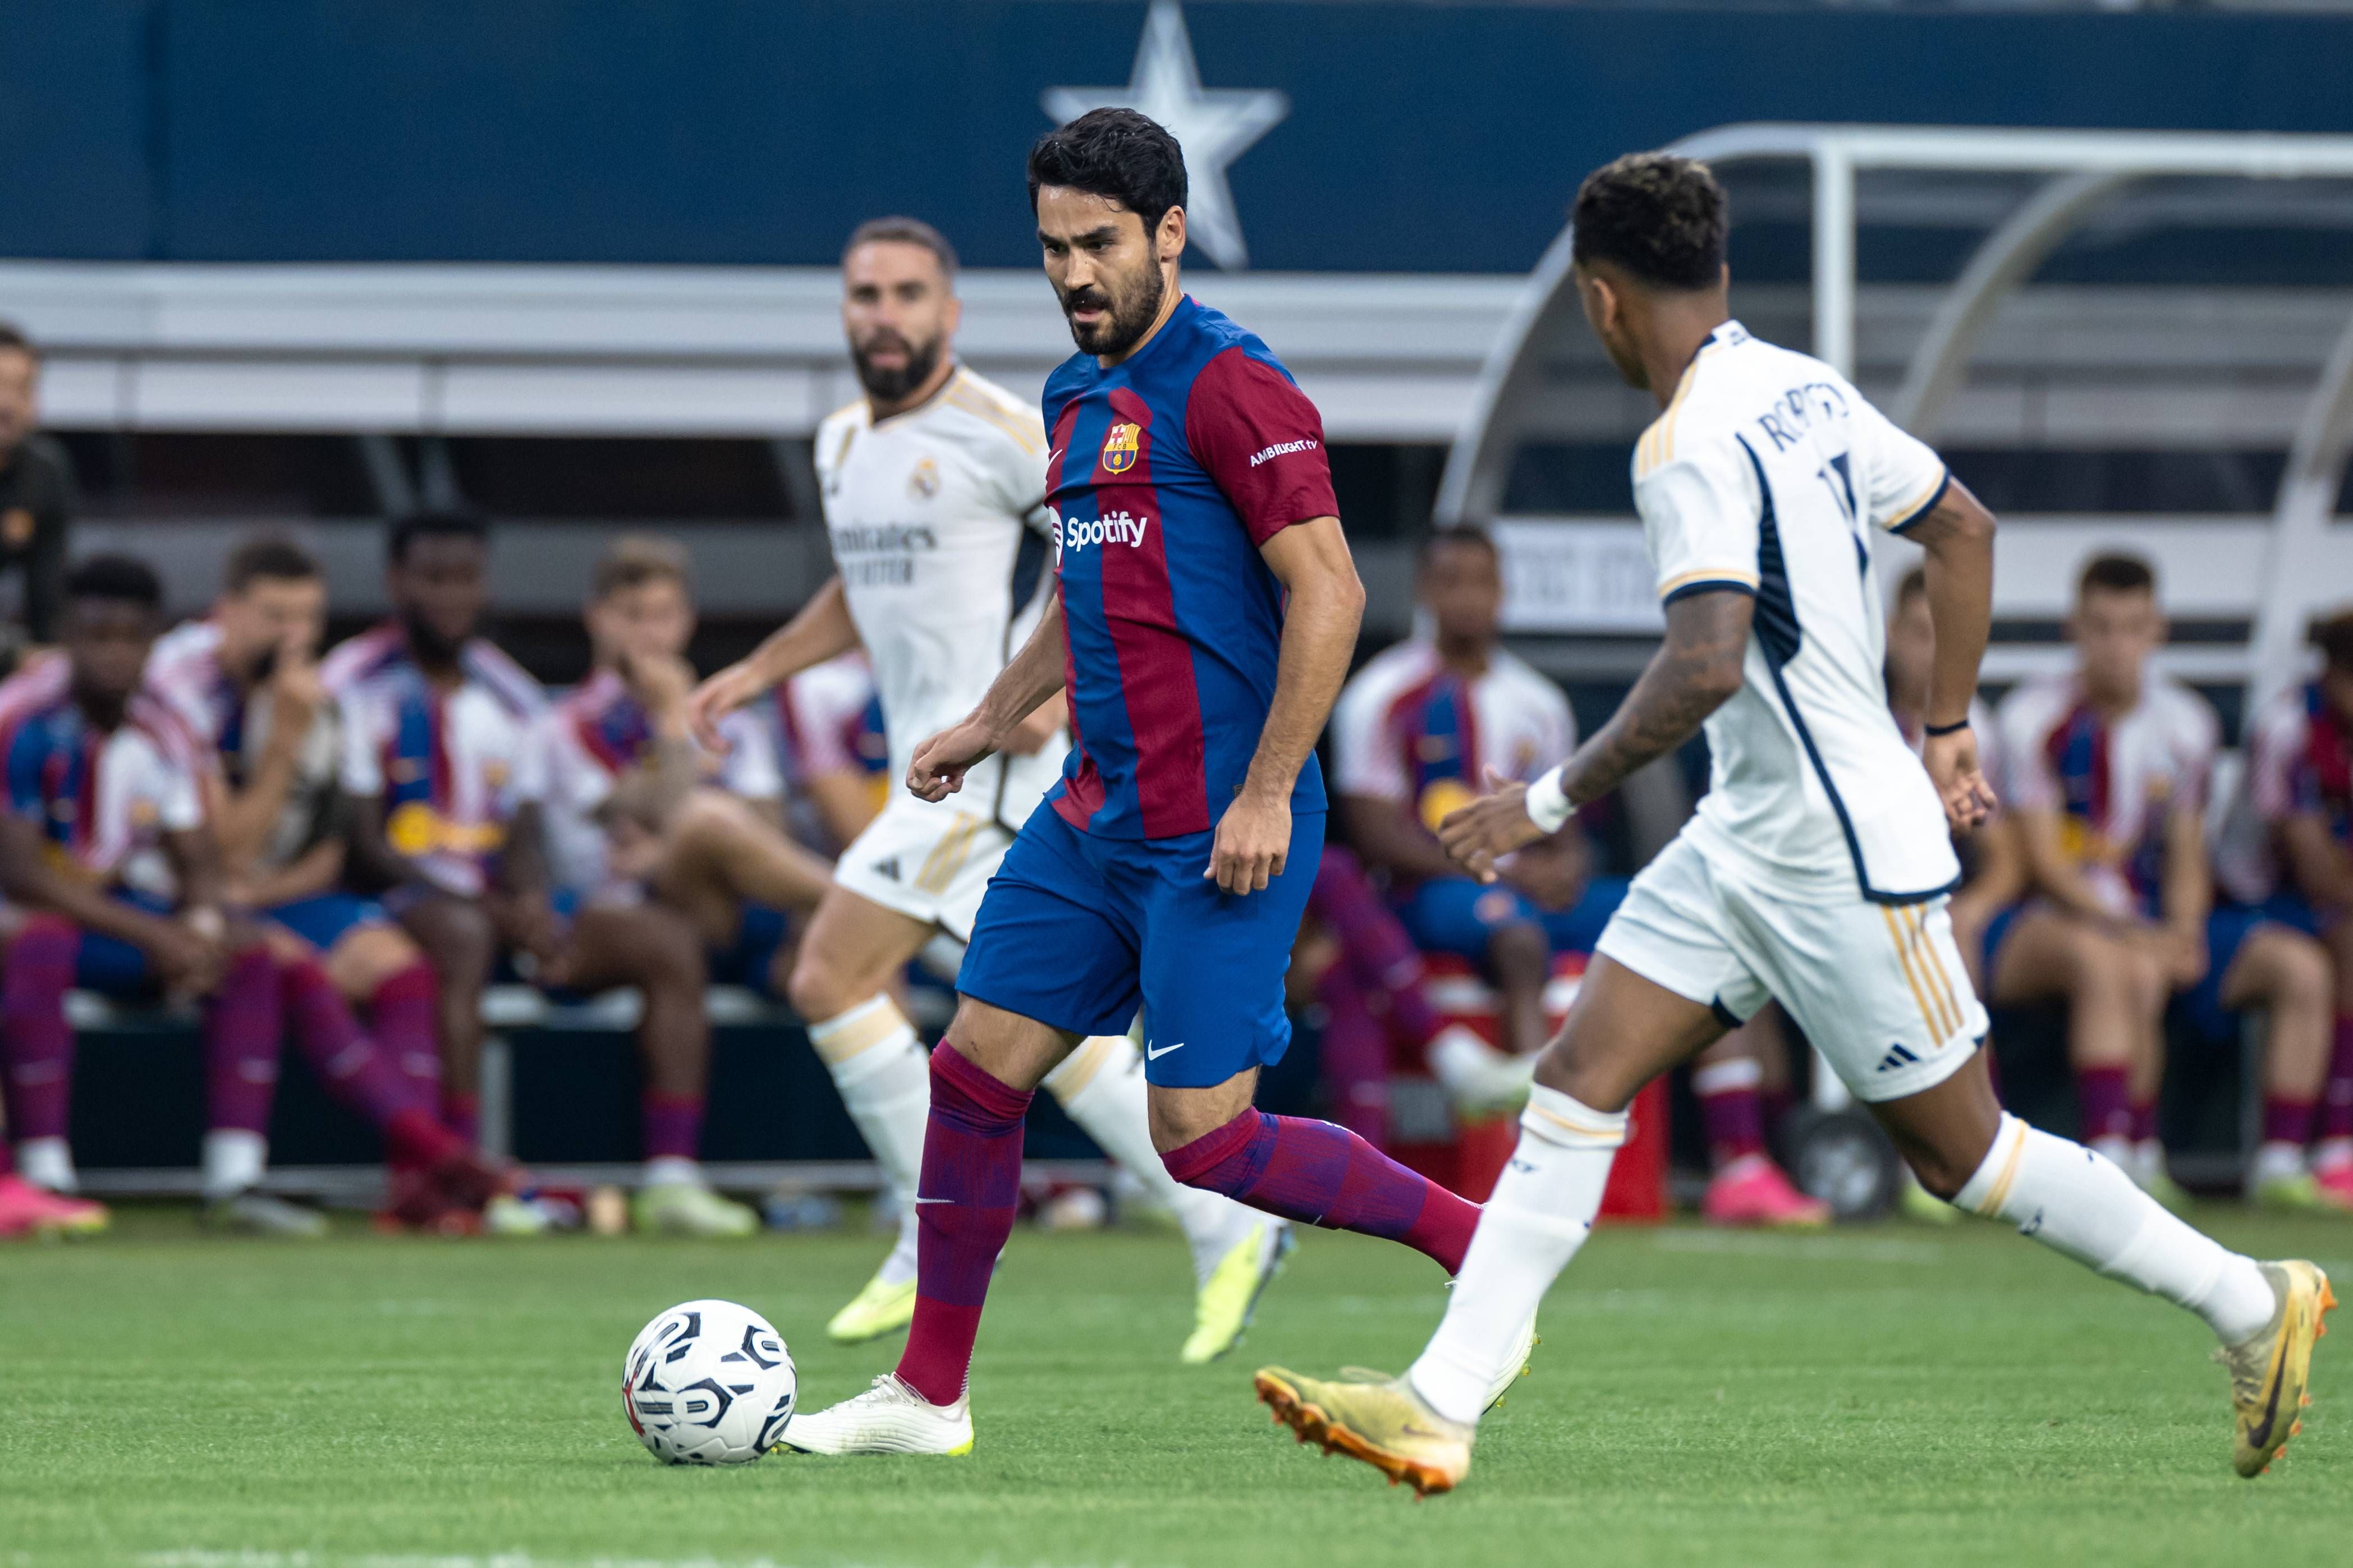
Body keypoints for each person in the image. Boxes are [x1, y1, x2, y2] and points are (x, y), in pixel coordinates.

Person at [1251, 154, 2331, 1495]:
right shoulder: (1801, 383)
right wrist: (1945, 726)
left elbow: (1704, 661)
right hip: (1747, 834)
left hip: (1836, 853)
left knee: (1968, 1156)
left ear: (1599, 300)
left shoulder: (1686, 441)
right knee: (1580, 1080)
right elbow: (1967, 529)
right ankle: (1441, 1402)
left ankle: (2250, 1299)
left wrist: (1543, 799)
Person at [775, 110, 1524, 1457]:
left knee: (1202, 1140)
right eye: (1054, 246)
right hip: (1090, 815)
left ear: (1169, 235)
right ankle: (926, 1398)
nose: (1074, 272)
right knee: (975, 1072)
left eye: (1100, 244)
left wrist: (1264, 789)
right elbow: (1083, 595)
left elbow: (1332, 591)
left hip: (1220, 829)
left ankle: (1487, 1255)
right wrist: (989, 719)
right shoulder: (1070, 397)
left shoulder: (1235, 383)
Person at [691, 213, 1290, 1359]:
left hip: (995, 765)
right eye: (866, 294)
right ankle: (1210, 1222)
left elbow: (1117, 532)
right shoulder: (837, 443)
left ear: (949, 312)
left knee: (831, 971)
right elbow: (864, 591)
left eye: (909, 294)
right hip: (930, 770)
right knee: (1028, 1024)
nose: (885, 314)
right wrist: (758, 669)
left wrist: (1059, 689)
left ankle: (949, 1230)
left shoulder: (1006, 428)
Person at [1332, 525, 1823, 1226]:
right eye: (1450, 580)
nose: (1468, 597)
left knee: (1704, 923)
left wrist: (1562, 866)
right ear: (1424, 590)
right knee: (1519, 943)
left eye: (1482, 581)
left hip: (1523, 891)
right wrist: (1501, 872)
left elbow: (1567, 825)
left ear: (1503, 592)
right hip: (1430, 897)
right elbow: (1372, 829)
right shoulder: (1380, 695)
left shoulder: (1536, 701)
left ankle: (1740, 1160)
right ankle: (1536, 1171)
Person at [0, 558, 494, 1234]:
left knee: (249, 954)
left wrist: (202, 921)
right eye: (96, 636)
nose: (114, 653)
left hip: (137, 913)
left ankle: (237, 1180)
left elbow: (202, 853)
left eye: (128, 637)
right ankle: (41, 1174)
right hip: (56, 914)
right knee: (40, 941)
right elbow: (24, 874)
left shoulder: (170, 722)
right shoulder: (26, 717)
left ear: (150, 639)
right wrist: (166, 930)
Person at [325, 511, 756, 1237]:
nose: (449, 595)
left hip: (497, 899)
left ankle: (672, 1175)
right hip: (394, 900)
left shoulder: (509, 689)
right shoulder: (352, 681)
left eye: (465, 578)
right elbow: (361, 842)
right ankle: (461, 1169)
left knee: (662, 940)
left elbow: (522, 828)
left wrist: (524, 899)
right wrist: (490, 902)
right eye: (432, 577)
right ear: (397, 581)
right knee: (460, 932)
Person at [144, 536, 526, 1233]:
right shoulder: (176, 686)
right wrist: (284, 741)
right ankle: (440, 1158)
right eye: (273, 616)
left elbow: (326, 854)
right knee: (281, 963)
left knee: (401, 969)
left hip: (267, 893)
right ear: (225, 611)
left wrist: (261, 899)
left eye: (307, 619)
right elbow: (222, 847)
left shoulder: (323, 698)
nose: (292, 637)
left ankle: (415, 1185)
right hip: (167, 892)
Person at [2003, 554, 2341, 1212]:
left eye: (2131, 627)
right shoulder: (2031, 716)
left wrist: (2184, 931)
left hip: (2156, 919)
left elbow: (2186, 850)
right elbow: (2044, 861)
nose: (2115, 645)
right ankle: (2119, 1154)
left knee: (2299, 967)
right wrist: (2144, 934)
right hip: (2055, 922)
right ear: (2074, 628)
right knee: (2121, 963)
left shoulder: (2185, 723)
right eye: (2100, 627)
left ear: (2156, 630)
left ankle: (2280, 1161)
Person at [543, 536, 833, 1003]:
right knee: (705, 818)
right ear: (596, 618)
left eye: (665, 616)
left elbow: (770, 835)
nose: (650, 634)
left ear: (688, 620)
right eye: (632, 615)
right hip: (617, 917)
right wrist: (672, 724)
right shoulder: (563, 728)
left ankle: (848, 908)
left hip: (725, 913)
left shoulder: (732, 723)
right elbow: (627, 831)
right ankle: (863, 901)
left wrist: (660, 842)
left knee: (828, 951)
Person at [2221, 606, 2353, 1205]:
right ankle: (2327, 1148)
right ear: (2332, 675)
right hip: (2252, 906)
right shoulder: (2288, 727)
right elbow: (2318, 875)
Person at [0, 324, 71, 665]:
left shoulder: (45, 471)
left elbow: (49, 589)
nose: (7, 404)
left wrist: (50, 655)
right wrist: (14, 655)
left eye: (22, 389)